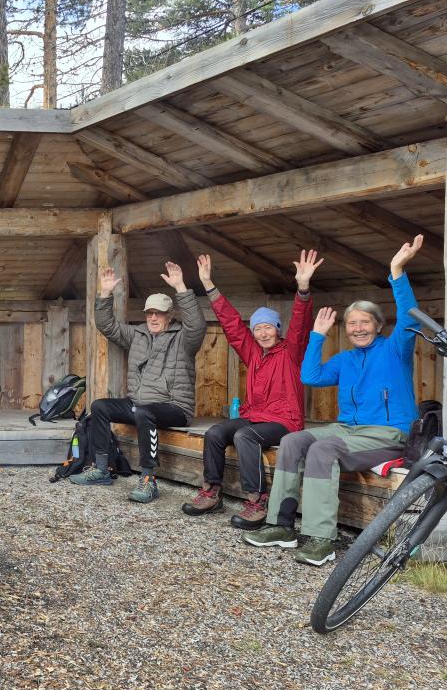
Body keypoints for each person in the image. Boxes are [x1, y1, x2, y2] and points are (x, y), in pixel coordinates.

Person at [243, 236, 424, 566]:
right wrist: (317, 336)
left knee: (323, 449)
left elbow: (410, 317)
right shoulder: (345, 358)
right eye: (352, 323)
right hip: (348, 430)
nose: (357, 328)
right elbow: (310, 376)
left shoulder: (396, 349)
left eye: (364, 322)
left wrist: (396, 270)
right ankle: (281, 526)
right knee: (293, 440)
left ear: (378, 326)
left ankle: (320, 539)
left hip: (387, 434)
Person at [182, 250, 321, 528]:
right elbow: (231, 324)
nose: (262, 333)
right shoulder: (253, 353)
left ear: (278, 330)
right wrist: (209, 285)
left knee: (245, 436)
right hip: (256, 414)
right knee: (215, 432)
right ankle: (211, 491)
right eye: (258, 329)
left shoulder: (292, 351)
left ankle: (257, 500)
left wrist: (303, 289)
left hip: (285, 420)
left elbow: (301, 325)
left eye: (268, 327)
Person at [71, 261, 205, 502]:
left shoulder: (183, 339)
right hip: (139, 403)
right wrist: (105, 293)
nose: (153, 317)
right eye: (149, 313)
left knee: (144, 413)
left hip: (174, 407)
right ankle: (101, 468)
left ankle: (148, 479)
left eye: (159, 313)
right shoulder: (137, 334)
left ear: (169, 315)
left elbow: (197, 325)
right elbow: (106, 325)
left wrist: (181, 287)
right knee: (100, 406)